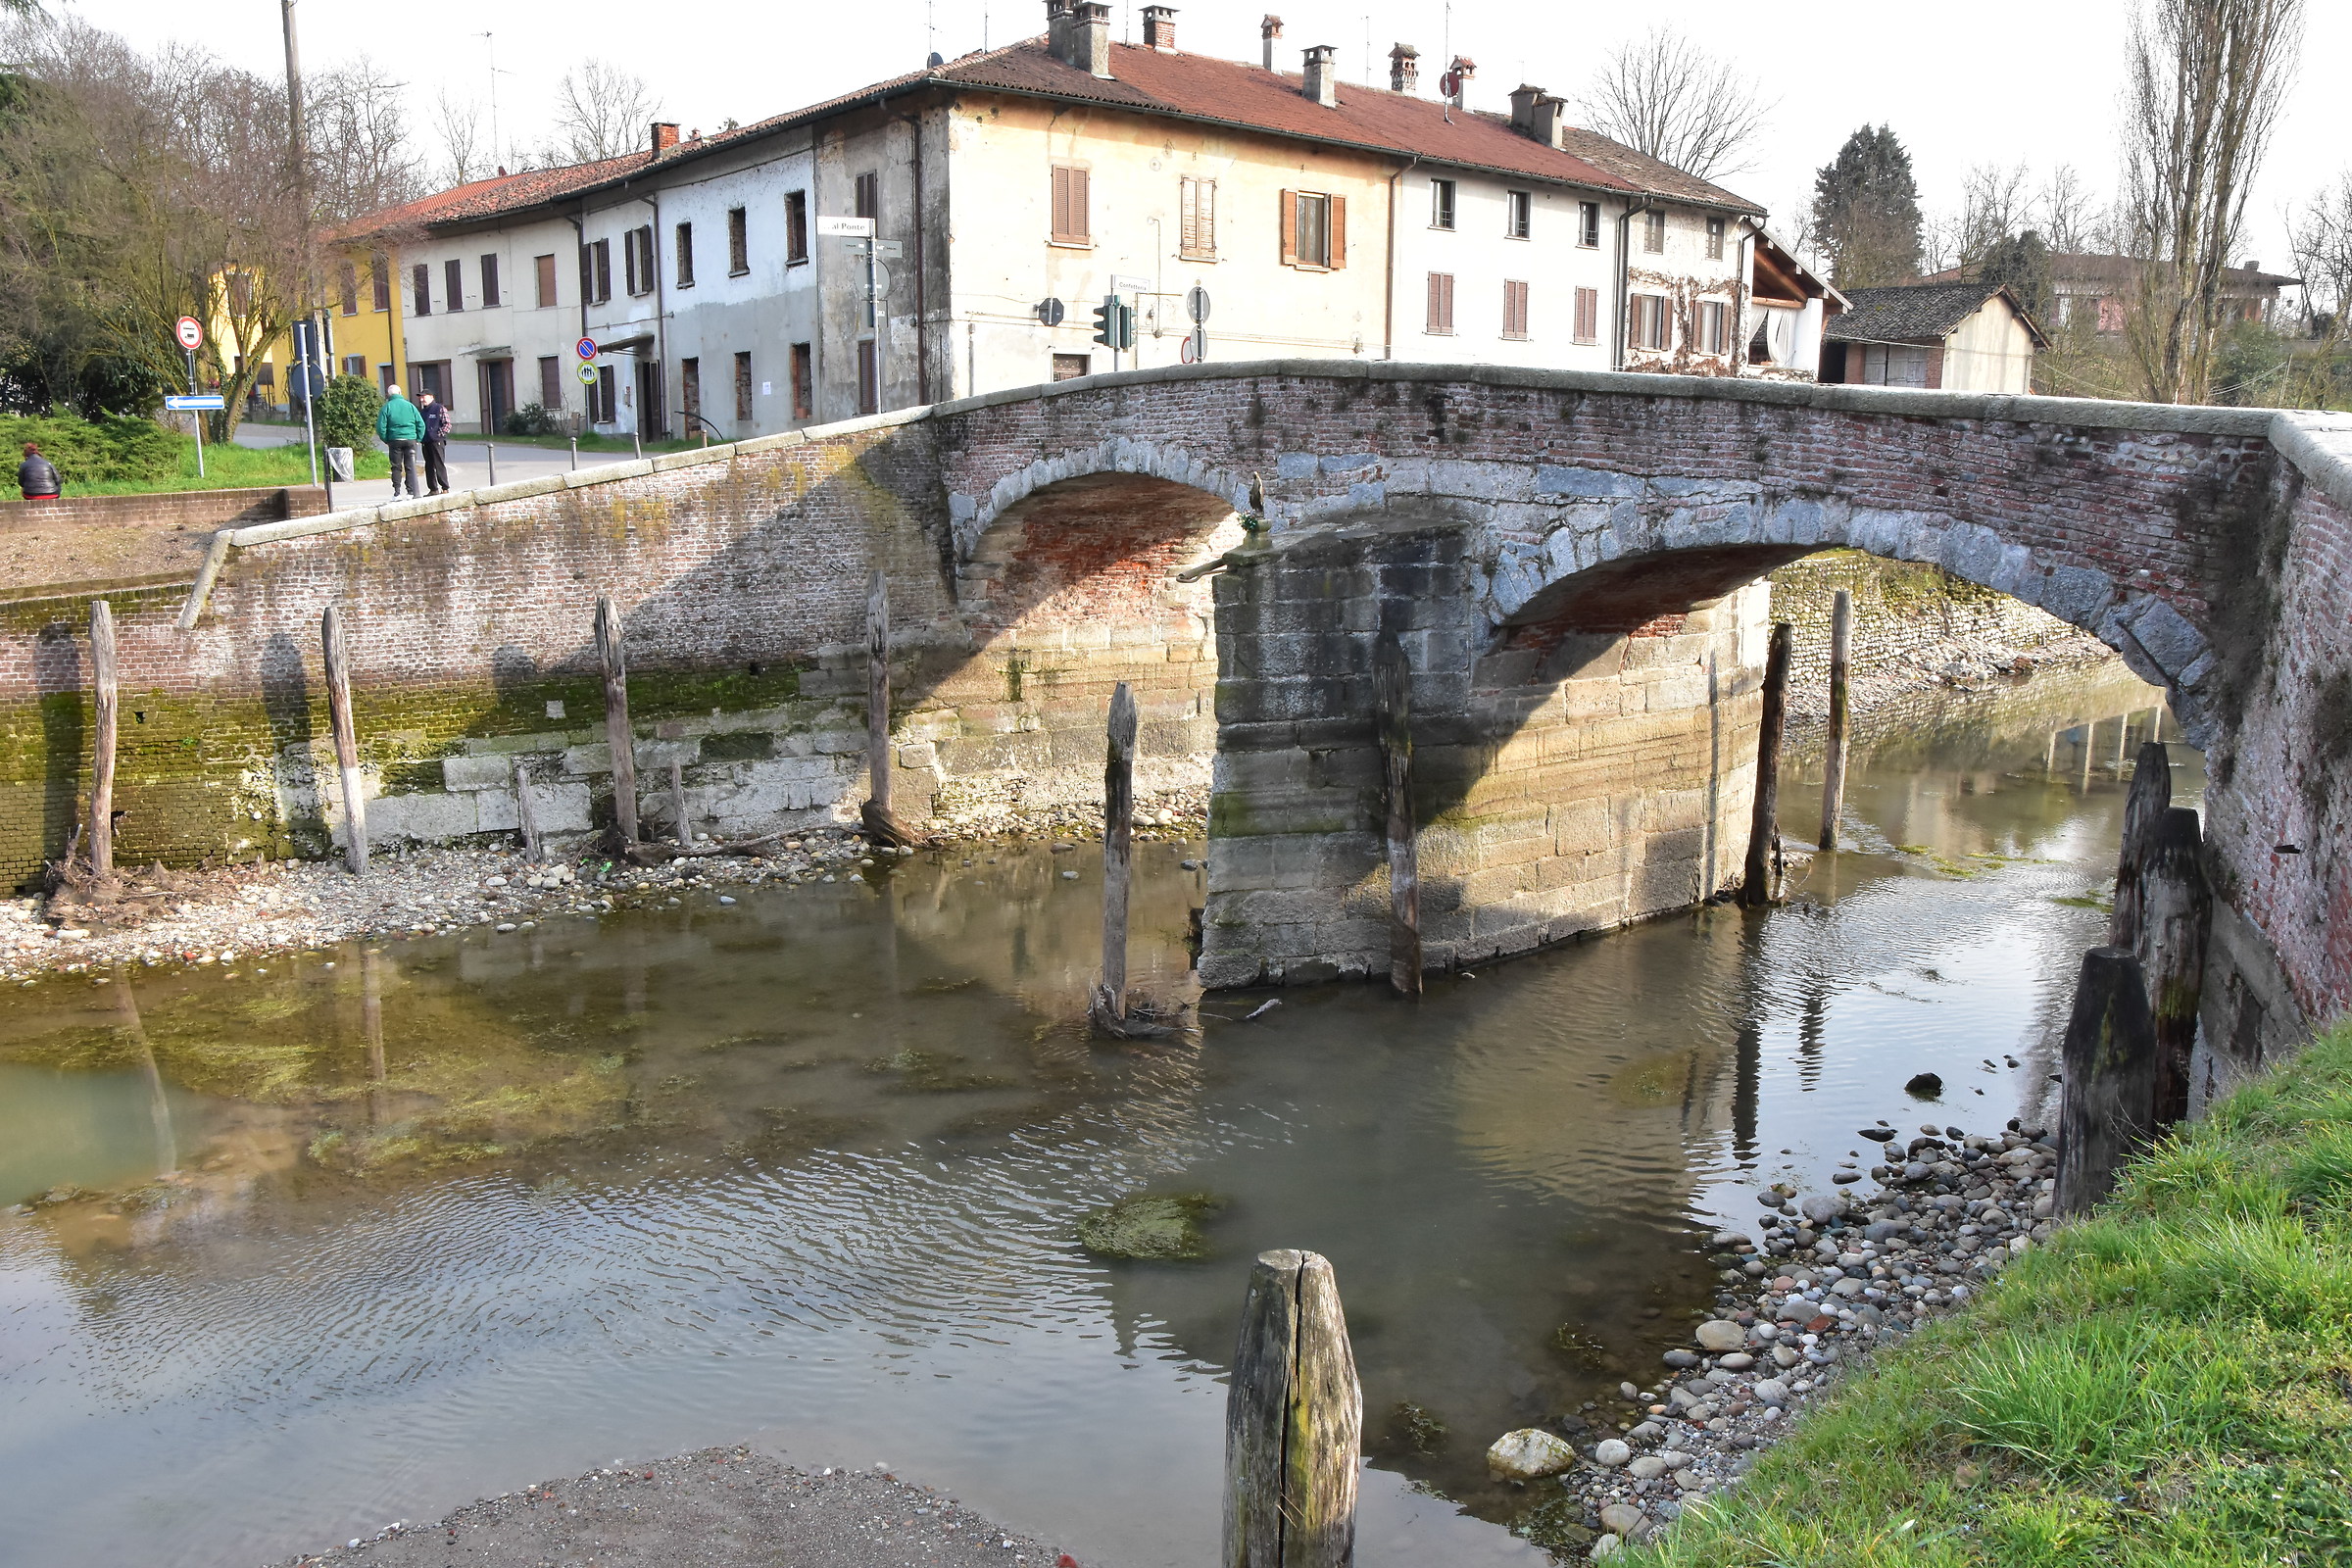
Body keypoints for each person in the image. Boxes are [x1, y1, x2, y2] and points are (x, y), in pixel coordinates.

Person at [375, 383, 425, 498]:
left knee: (396, 466)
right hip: (410, 438)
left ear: (388, 394)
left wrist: (386, 439)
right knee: (410, 465)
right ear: (400, 393)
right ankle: (410, 491)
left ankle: (397, 492)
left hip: (394, 439)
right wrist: (418, 438)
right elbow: (421, 424)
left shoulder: (386, 407)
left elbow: (380, 427)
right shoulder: (410, 406)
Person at [418, 391, 452, 495]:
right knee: (429, 466)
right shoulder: (422, 412)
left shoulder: (439, 408)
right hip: (426, 442)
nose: (422, 399)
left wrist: (438, 435)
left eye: (424, 397)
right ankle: (433, 489)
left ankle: (445, 488)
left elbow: (447, 424)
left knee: (439, 465)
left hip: (437, 442)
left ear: (431, 397)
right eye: (421, 397)